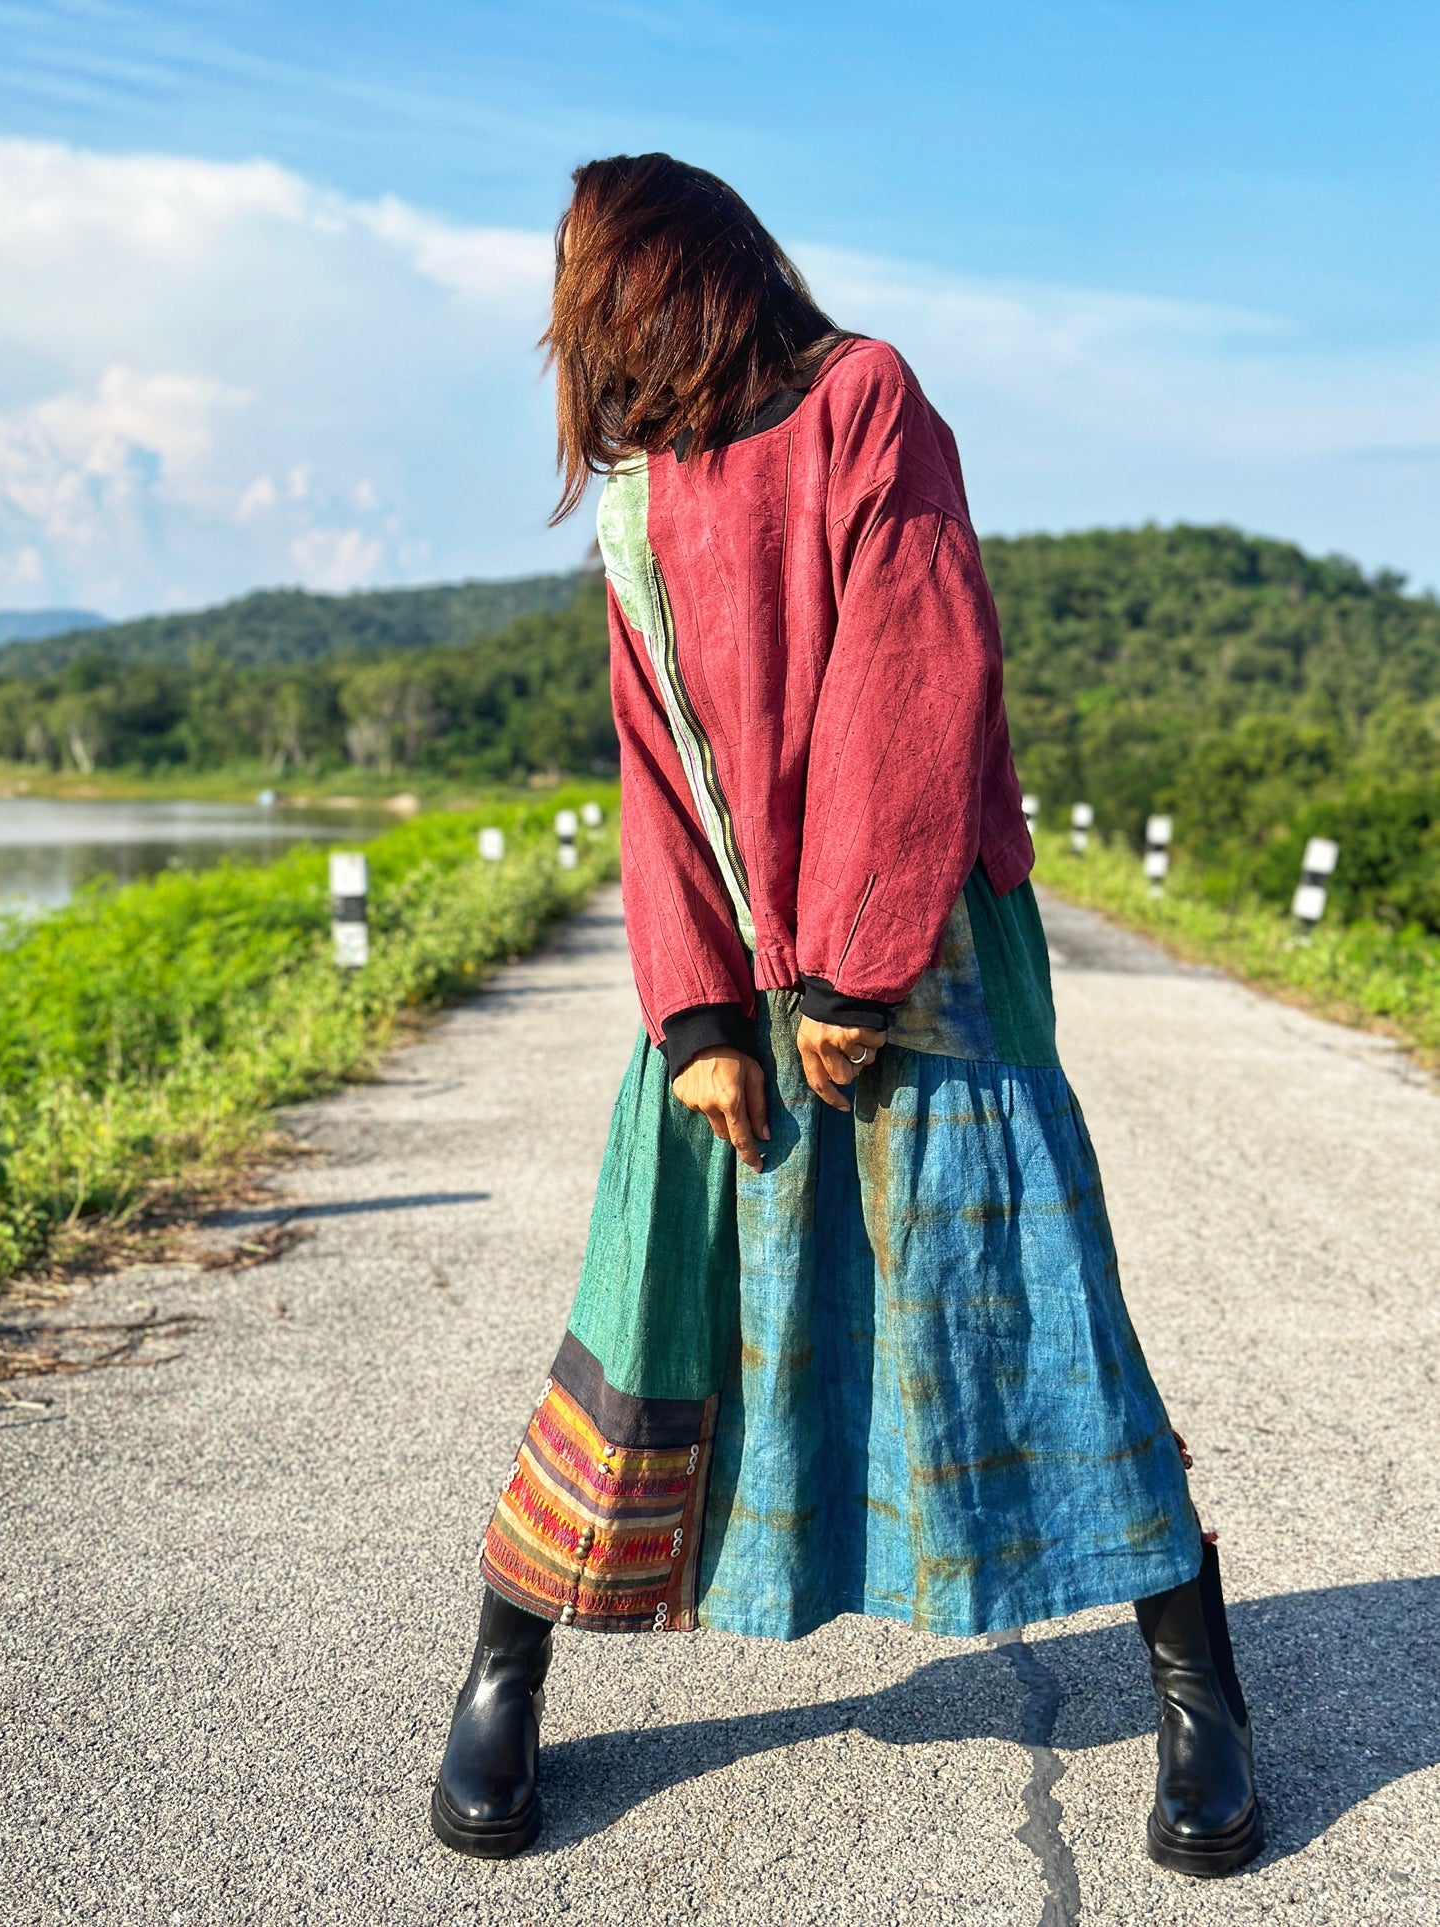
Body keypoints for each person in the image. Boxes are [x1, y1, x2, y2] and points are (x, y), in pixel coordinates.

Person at [430, 153, 1262, 1881]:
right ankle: (507, 1666)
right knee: (650, 1292)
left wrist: (854, 972)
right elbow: (652, 767)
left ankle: (1203, 1700)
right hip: (736, 961)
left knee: (1027, 1290)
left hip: (922, 947)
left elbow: (918, 666)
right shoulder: (641, 491)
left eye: (593, 284)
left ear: (680, 275)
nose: (581, 324)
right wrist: (700, 1018)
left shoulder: (864, 398)